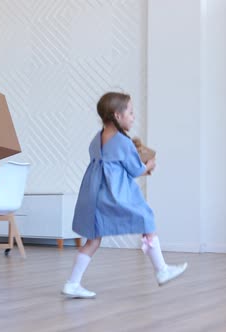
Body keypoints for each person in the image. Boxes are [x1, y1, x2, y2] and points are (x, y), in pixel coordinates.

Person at [61, 92, 188, 299]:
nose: (133, 117)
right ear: (117, 115)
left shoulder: (97, 139)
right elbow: (134, 170)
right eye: (130, 112)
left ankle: (72, 283)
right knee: (146, 218)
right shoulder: (122, 142)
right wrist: (148, 165)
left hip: (93, 196)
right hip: (112, 195)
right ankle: (161, 270)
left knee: (92, 240)